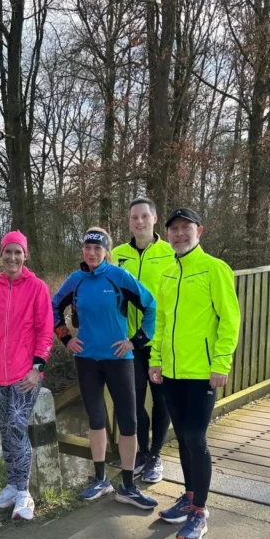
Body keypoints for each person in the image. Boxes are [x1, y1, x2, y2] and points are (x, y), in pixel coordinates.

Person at [149, 208, 240, 539]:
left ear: (199, 231)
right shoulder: (168, 272)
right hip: (171, 371)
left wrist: (221, 363)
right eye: (173, 229)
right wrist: (155, 360)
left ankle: (200, 511)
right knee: (183, 438)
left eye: (185, 228)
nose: (179, 234)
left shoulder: (215, 269)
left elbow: (229, 320)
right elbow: (161, 322)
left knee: (195, 437)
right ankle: (189, 496)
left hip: (202, 372)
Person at [53, 227, 158, 510]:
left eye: (97, 249)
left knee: (128, 421)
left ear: (106, 252)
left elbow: (150, 306)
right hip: (86, 359)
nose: (91, 253)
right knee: (96, 420)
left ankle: (128, 485)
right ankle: (100, 479)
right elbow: (53, 308)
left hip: (119, 359)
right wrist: (66, 338)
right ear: (82, 251)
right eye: (87, 248)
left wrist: (135, 342)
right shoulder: (75, 280)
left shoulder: (119, 277)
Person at [0, 231, 53, 521]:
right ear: (1, 254)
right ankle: (11, 484)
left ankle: (23, 493)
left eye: (18, 252)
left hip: (24, 375)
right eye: (8, 252)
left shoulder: (37, 288)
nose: (12, 257)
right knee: (5, 431)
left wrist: (37, 368)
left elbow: (45, 332)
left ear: (25, 255)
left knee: (17, 429)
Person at [112, 197, 175, 483]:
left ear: (154, 218)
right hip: (128, 341)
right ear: (129, 222)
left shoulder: (170, 251)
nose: (139, 222)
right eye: (134, 218)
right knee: (133, 400)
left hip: (159, 340)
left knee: (161, 399)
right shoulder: (116, 253)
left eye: (144, 217)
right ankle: (142, 451)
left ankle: (156, 456)